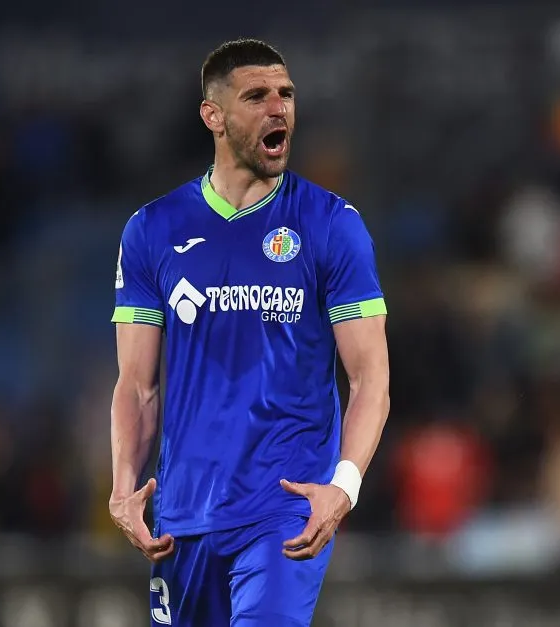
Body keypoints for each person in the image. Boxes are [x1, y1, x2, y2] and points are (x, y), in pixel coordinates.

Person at [107, 38, 391, 627]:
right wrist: (122, 488)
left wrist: (344, 486)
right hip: (183, 517)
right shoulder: (152, 230)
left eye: (286, 94)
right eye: (257, 96)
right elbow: (136, 385)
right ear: (213, 115)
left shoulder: (331, 226)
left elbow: (370, 378)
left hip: (284, 509)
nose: (278, 107)